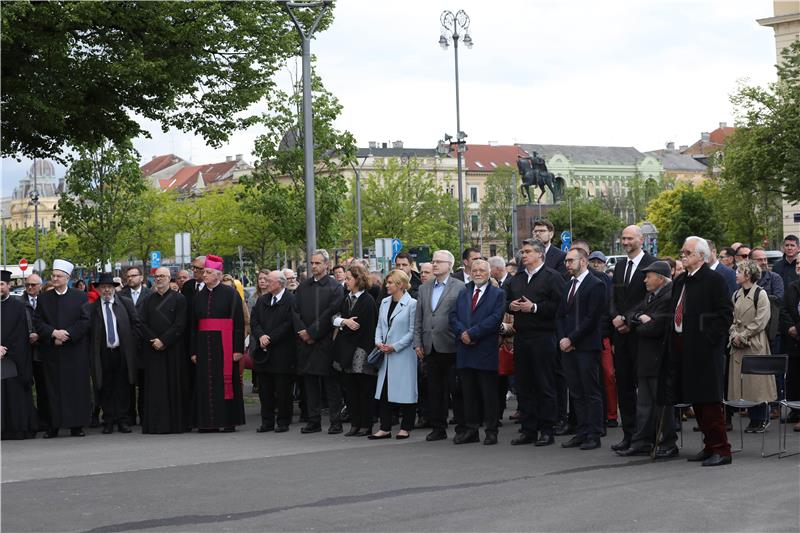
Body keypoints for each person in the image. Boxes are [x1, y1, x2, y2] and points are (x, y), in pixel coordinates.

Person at [667, 236, 733, 466]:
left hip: (705, 350)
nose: (683, 255)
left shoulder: (714, 280)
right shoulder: (681, 280)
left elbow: (724, 314)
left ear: (701, 256)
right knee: (696, 399)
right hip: (684, 348)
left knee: (710, 401)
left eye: (688, 252)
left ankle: (721, 449)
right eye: (683, 252)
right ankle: (709, 445)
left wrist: (707, 339)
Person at [506, 238, 565, 446]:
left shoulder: (552, 277)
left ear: (540, 254)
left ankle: (547, 429)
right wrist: (510, 305)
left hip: (544, 336)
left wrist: (535, 308)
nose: (524, 255)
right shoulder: (517, 278)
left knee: (545, 384)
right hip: (522, 337)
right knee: (524, 384)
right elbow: (505, 300)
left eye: (528, 251)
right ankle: (528, 428)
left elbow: (559, 306)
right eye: (523, 252)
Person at [618, 261, 677, 458]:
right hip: (646, 359)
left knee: (662, 406)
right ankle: (642, 441)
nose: (645, 280)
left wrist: (640, 322)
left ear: (660, 278)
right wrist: (640, 318)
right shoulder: (651, 295)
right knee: (644, 405)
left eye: (648, 276)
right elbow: (631, 313)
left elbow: (655, 327)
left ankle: (666, 443)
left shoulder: (669, 296)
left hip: (659, 359)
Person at [609, 224, 657, 451]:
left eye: (630, 238)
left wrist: (628, 320)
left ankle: (645, 436)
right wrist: (615, 317)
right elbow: (614, 297)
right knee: (624, 387)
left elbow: (649, 299)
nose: (626, 242)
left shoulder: (652, 265)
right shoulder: (619, 266)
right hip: (621, 336)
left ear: (641, 239)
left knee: (645, 389)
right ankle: (629, 434)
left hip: (641, 335)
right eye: (623, 238)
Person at [449, 259, 506, 445]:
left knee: (488, 394)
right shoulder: (463, 292)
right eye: (475, 270)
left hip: (484, 350)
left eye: (482, 270)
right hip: (465, 350)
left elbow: (495, 319)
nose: (478, 273)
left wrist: (472, 333)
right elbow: (453, 316)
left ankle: (491, 431)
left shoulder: (497, 294)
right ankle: (471, 430)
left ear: (489, 272)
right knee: (469, 393)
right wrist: (462, 333)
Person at [33, 259, 92, 438]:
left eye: (59, 276)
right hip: (53, 351)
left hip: (74, 351)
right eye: (53, 276)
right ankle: (53, 426)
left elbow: (85, 321)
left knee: (75, 388)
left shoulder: (80, 296)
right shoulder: (44, 298)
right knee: (53, 389)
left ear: (67, 278)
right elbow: (38, 321)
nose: (55, 278)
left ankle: (77, 425)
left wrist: (67, 334)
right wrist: (53, 333)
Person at [555, 248, 606, 450]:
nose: (567, 265)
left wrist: (572, 338)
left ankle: (594, 433)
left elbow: (592, 318)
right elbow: (560, 315)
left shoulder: (596, 284)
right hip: (567, 347)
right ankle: (581, 431)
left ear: (583, 262)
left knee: (591, 392)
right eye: (566, 261)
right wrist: (562, 339)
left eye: (571, 261)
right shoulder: (567, 285)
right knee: (575, 392)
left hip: (586, 346)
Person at [189, 255, 246, 432]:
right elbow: (192, 326)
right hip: (204, 346)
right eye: (204, 272)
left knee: (225, 383)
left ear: (218, 275)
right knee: (206, 384)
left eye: (208, 272)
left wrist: (237, 349)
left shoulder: (231, 294)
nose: (204, 275)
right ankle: (207, 423)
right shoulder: (198, 296)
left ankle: (228, 421)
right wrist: (193, 351)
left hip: (225, 344)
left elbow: (238, 323)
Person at [414, 250, 466, 441]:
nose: (434, 264)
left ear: (449, 265)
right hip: (430, 345)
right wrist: (417, 342)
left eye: (438, 261)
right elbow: (419, 318)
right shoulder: (424, 288)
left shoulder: (460, 287)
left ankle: (462, 427)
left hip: (452, 345)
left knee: (456, 389)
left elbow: (463, 315)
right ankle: (438, 427)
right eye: (433, 261)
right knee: (435, 390)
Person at [293, 249, 345, 434]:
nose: (314, 266)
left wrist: (312, 333)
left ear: (326, 265)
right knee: (310, 384)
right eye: (312, 263)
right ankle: (313, 420)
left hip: (325, 342)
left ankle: (335, 421)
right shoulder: (303, 287)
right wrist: (303, 332)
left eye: (317, 263)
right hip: (305, 343)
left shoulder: (335, 287)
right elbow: (295, 310)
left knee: (331, 385)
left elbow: (331, 313)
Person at [88, 273, 141, 434]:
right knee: (105, 386)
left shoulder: (125, 303)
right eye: (103, 287)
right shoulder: (92, 308)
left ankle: (123, 420)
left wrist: (131, 343)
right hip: (103, 353)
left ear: (114, 289)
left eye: (109, 287)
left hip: (122, 352)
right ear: (98, 289)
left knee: (123, 386)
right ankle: (109, 420)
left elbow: (136, 324)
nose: (106, 290)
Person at [728, 260, 777, 433]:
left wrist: (743, 335)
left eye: (739, 271)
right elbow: (733, 318)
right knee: (745, 384)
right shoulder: (736, 294)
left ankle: (762, 418)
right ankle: (753, 418)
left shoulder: (760, 294)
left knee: (758, 383)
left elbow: (761, 321)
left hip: (755, 343)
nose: (736, 274)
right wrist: (734, 334)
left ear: (748, 274)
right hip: (739, 344)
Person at [139, 267, 189, 434]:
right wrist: (154, 340)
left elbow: (180, 324)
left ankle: (176, 424)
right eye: (156, 276)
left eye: (162, 276)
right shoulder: (147, 300)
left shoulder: (180, 299)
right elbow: (142, 323)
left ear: (169, 278)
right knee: (155, 388)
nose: (159, 279)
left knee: (174, 386)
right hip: (153, 350)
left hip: (173, 349)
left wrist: (164, 340)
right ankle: (156, 424)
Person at [369, 269, 418, 440]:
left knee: (406, 390)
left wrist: (394, 346)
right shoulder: (384, 302)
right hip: (385, 353)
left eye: (390, 282)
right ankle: (385, 427)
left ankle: (406, 427)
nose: (386, 285)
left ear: (400, 284)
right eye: (387, 282)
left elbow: (412, 332)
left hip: (403, 354)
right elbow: (380, 326)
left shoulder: (412, 304)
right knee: (384, 391)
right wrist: (378, 342)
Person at [332, 264, 378, 437]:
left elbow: (368, 327)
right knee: (350, 389)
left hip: (362, 350)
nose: (346, 282)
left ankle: (366, 423)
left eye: (349, 279)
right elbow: (334, 316)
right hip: (347, 351)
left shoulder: (367, 300)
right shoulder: (346, 298)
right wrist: (345, 322)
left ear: (358, 280)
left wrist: (348, 328)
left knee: (364, 389)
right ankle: (355, 423)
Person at [250, 270, 296, 433]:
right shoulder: (262, 300)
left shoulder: (290, 300)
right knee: (265, 390)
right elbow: (254, 320)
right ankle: (267, 422)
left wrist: (270, 337)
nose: (266, 283)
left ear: (280, 283)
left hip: (282, 352)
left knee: (283, 390)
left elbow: (289, 324)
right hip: (264, 352)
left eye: (269, 280)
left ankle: (283, 421)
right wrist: (261, 335)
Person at [1, 270, 38, 440]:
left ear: (9, 285)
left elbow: (20, 333)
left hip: (14, 359)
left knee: (15, 393)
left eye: (1, 284)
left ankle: (18, 429)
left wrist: (5, 349)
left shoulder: (18, 306)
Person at [587, 250, 618, 427]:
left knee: (608, 376)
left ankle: (612, 415)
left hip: (604, 336)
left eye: (600, 262)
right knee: (592, 378)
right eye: (594, 261)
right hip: (589, 337)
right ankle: (597, 415)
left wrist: (612, 339)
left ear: (605, 264)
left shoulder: (608, 281)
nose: (596, 264)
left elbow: (610, 310)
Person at [119, 265, 151, 426]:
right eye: (128, 276)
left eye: (134, 275)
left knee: (145, 383)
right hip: (127, 346)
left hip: (145, 346)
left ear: (141, 277)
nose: (130, 278)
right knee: (127, 383)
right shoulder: (120, 296)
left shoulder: (150, 295)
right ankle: (129, 415)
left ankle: (145, 414)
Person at [18, 273, 49, 432]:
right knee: (25, 386)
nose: (30, 287)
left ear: (40, 286)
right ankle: (29, 420)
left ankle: (45, 420)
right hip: (25, 351)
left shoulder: (46, 301)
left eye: (34, 285)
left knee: (44, 387)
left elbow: (50, 322)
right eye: (28, 284)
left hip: (43, 351)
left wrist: (40, 335)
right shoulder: (19, 303)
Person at [780, 260, 800, 431]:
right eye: (797, 263)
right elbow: (784, 309)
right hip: (793, 342)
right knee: (794, 377)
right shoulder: (792, 286)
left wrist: (798, 329)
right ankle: (795, 410)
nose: (798, 266)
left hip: (797, 333)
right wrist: (790, 328)